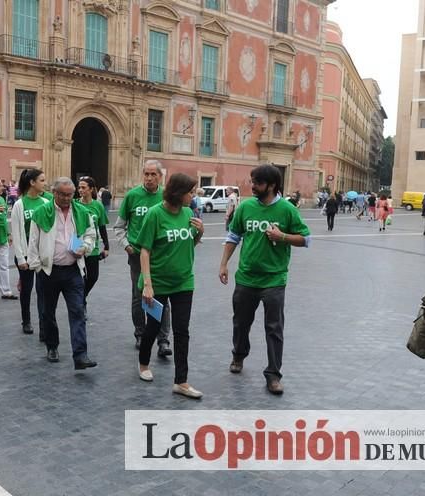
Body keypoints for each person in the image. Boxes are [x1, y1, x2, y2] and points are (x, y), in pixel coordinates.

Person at [218, 164, 310, 395]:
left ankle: (273, 375)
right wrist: (223, 264)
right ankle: (238, 355)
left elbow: (306, 239)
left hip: (274, 280)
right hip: (246, 278)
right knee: (240, 322)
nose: (253, 186)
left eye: (257, 183)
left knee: (274, 329)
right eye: (252, 181)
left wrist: (283, 236)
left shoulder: (288, 210)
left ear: (271, 185)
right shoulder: (246, 206)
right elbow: (234, 235)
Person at [137, 173, 204, 399]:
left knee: (182, 331)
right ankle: (144, 364)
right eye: (190, 192)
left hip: (184, 282)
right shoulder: (155, 214)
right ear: (178, 193)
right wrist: (147, 284)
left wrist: (200, 233)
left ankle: (181, 382)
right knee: (153, 328)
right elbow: (144, 250)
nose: (193, 196)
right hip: (156, 283)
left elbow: (189, 244)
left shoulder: (188, 213)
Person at [27, 177, 97, 370]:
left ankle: (80, 355)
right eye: (63, 194)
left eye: (70, 195)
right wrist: (36, 266)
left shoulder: (82, 212)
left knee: (77, 312)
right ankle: (52, 346)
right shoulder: (42, 212)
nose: (67, 198)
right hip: (48, 271)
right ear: (54, 193)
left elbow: (91, 234)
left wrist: (84, 247)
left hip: (73, 270)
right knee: (47, 312)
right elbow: (33, 241)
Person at [113, 160, 172, 356]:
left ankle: (163, 340)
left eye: (153, 174)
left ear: (160, 177)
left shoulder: (166, 196)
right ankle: (140, 332)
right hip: (137, 255)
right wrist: (127, 246)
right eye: (146, 174)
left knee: (161, 297)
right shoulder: (132, 196)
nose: (149, 178)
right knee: (139, 296)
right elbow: (119, 227)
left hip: (161, 257)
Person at [11, 169, 50, 336]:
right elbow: (17, 233)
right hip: (26, 254)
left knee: (43, 291)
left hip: (41, 255)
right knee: (26, 290)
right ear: (32, 183)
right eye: (42, 180)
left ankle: (43, 324)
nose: (45, 183)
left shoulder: (45, 202)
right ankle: (26, 320)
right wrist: (21, 258)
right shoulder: (20, 204)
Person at [76, 176, 109, 315]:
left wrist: (107, 246)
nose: (80, 190)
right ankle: (81, 304)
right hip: (77, 243)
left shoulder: (98, 205)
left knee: (93, 277)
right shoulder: (74, 204)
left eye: (83, 187)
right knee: (81, 278)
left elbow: (102, 227)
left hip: (93, 246)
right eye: (79, 187)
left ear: (91, 189)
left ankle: (81, 299)